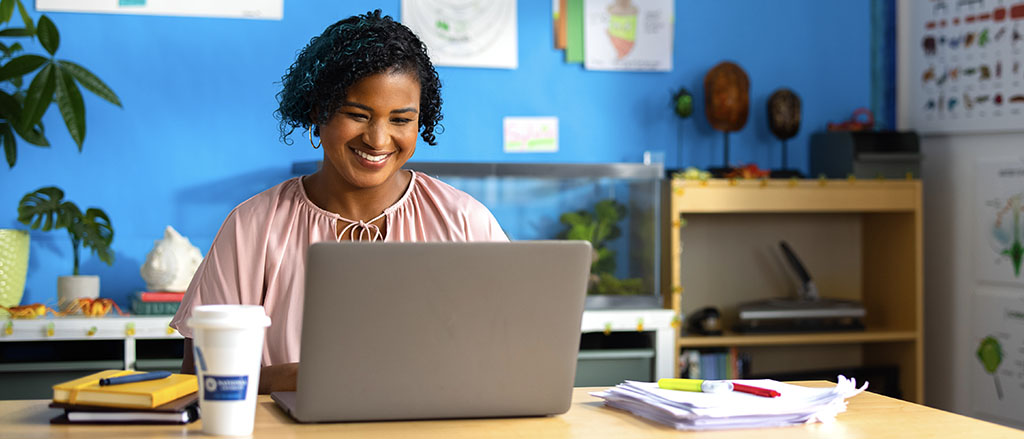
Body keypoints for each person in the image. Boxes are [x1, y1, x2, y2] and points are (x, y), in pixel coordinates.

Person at [169, 10, 508, 393]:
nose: (378, 140)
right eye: (358, 115)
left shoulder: (464, 221)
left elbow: (512, 352)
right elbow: (195, 379)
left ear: (421, 121)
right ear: (318, 111)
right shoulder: (253, 226)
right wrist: (292, 380)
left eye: (400, 120)